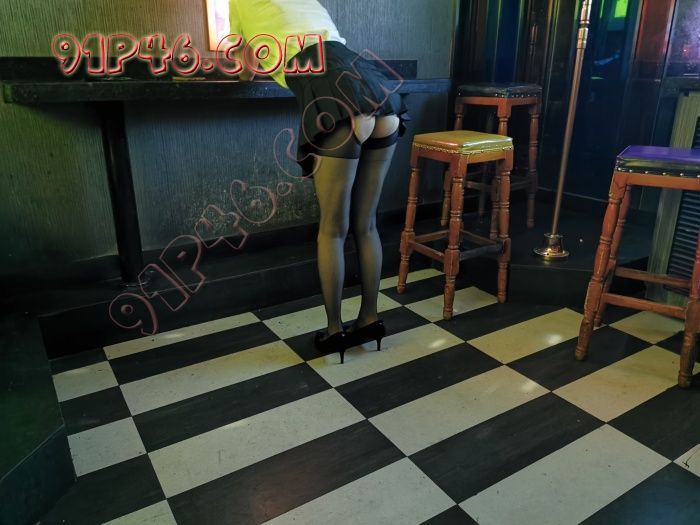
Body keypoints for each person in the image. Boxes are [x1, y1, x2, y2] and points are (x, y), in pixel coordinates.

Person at [228, 0, 409, 363]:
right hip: (375, 88)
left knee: (332, 229)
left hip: (332, 94)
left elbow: (243, 70)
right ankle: (370, 320)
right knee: (367, 224)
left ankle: (334, 330)